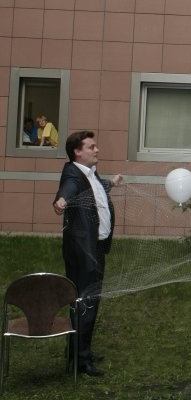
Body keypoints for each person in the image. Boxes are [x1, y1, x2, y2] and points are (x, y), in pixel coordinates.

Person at [53, 131, 123, 376]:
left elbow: (95, 192)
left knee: (89, 302)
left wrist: (111, 183)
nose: (97, 150)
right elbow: (68, 190)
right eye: (92, 147)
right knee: (85, 303)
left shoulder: (90, 175)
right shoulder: (73, 173)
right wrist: (61, 201)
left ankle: (81, 351)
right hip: (84, 252)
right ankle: (80, 362)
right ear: (77, 152)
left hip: (95, 248)